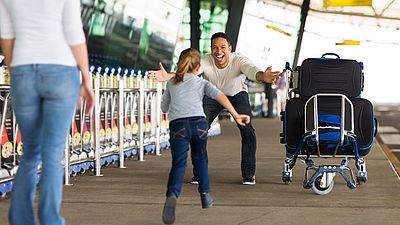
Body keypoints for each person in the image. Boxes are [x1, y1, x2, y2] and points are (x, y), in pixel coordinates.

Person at [0, 0, 94, 224]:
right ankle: (50, 219)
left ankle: (21, 220)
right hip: (60, 70)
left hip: (23, 70)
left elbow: (6, 37)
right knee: (52, 153)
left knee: (31, 152)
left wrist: (18, 73)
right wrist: (86, 79)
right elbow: (73, 32)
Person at [149, 32, 283, 185]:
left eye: (222, 47)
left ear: (230, 49)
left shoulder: (239, 60)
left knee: (247, 130)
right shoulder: (206, 61)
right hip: (212, 96)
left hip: (237, 94)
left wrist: (263, 77)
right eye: (215, 48)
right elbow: (187, 73)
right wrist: (167, 76)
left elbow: (252, 71)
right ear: (211, 49)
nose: (219, 51)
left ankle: (248, 173)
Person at [161, 48, 250, 224]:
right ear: (198, 67)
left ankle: (172, 195)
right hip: (199, 124)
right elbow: (221, 97)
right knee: (199, 158)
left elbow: (164, 108)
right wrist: (236, 114)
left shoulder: (171, 83)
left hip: (178, 126)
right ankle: (205, 195)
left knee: (179, 163)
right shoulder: (201, 83)